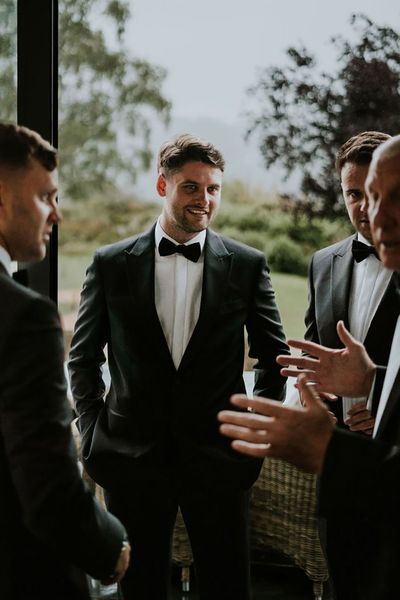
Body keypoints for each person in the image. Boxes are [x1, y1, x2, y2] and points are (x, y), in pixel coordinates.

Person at [68, 133, 289, 600]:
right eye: (191, 187)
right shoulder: (110, 264)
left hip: (221, 460)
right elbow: (83, 358)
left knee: (226, 585)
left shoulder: (248, 266)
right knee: (139, 586)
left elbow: (274, 357)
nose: (204, 200)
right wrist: (92, 433)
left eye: (213, 189)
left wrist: (254, 435)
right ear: (162, 187)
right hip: (131, 458)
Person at [218, 134, 400, 600]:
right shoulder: (323, 262)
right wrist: (342, 388)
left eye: (386, 196)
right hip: (336, 471)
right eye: (357, 194)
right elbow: (313, 358)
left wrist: (378, 403)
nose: (369, 211)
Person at [0, 122, 130, 600]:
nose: (56, 214)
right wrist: (109, 544)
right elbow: (47, 483)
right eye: (45, 197)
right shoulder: (23, 317)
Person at [304, 131, 398, 433]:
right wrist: (312, 400)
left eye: (374, 193)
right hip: (333, 449)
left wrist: (388, 414)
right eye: (353, 194)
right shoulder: (322, 263)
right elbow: (313, 350)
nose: (364, 207)